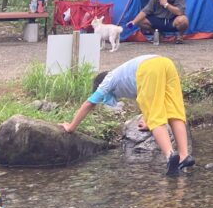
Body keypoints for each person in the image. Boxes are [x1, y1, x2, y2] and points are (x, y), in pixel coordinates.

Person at [62, 54, 194, 176]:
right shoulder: (127, 77)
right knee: (174, 111)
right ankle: (184, 156)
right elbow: (150, 101)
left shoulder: (108, 80)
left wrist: (71, 127)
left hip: (148, 67)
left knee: (156, 118)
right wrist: (147, 122)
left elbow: (89, 104)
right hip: (166, 63)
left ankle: (170, 156)